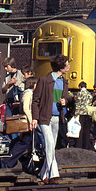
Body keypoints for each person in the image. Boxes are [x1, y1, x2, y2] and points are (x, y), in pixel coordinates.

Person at [32, 54, 71, 184]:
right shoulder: (44, 80)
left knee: (51, 147)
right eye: (67, 64)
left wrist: (65, 101)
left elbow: (66, 97)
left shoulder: (63, 82)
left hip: (56, 118)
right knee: (49, 144)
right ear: (61, 66)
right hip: (44, 118)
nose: (69, 66)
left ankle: (43, 174)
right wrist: (35, 118)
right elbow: (35, 100)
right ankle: (53, 174)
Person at [3, 76, 38, 169]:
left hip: (27, 122)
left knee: (29, 142)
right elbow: (26, 108)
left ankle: (24, 161)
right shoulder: (28, 93)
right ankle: (8, 161)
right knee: (25, 143)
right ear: (33, 84)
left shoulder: (28, 93)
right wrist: (31, 121)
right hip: (26, 122)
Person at [73, 81, 94, 150]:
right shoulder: (89, 94)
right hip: (88, 113)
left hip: (81, 114)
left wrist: (76, 114)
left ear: (80, 87)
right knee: (87, 130)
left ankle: (79, 145)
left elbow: (78, 104)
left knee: (80, 130)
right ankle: (86, 145)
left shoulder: (79, 94)